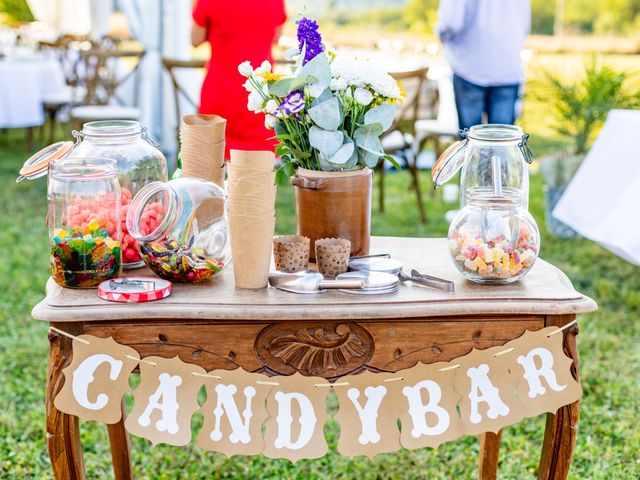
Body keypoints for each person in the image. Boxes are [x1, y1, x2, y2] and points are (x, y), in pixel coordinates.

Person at [191, 0, 286, 157]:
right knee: (262, 169)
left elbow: (195, 40)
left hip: (220, 95)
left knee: (213, 167)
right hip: (261, 97)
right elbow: (276, 37)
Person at [436, 0, 531, 131]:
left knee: (471, 143)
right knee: (502, 143)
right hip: (508, 67)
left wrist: (441, 34)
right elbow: (525, 24)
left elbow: (451, 22)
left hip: (470, 65)